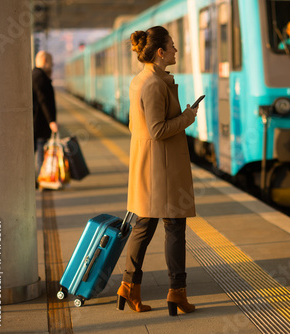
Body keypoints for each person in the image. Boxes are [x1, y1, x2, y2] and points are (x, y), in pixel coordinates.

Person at [116, 26, 198, 315]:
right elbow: (157, 129)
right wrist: (187, 117)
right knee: (174, 228)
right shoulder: (153, 84)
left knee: (144, 227)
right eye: (172, 46)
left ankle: (129, 287)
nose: (176, 50)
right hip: (161, 168)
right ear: (161, 52)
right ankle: (177, 292)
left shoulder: (142, 80)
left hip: (150, 164)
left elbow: (134, 126)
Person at [32, 51, 58, 183]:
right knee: (40, 152)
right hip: (39, 122)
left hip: (37, 122)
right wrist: (51, 121)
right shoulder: (39, 77)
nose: (52, 66)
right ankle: (41, 179)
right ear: (44, 61)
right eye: (51, 63)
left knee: (37, 150)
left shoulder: (36, 75)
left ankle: (39, 179)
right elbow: (43, 101)